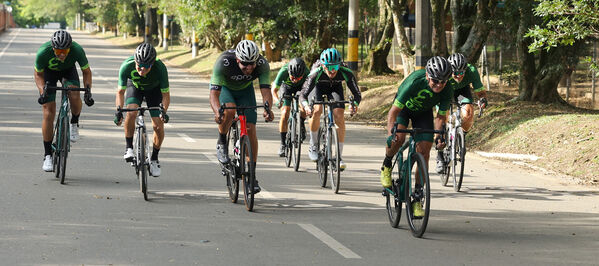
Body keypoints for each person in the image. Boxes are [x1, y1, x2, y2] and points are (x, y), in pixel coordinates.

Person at [380, 56, 452, 217]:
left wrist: (439, 137)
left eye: (443, 81)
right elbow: (393, 112)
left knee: (424, 151)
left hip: (423, 113)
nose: (439, 84)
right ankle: (386, 164)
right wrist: (391, 132)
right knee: (398, 138)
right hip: (403, 110)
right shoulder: (414, 82)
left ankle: (418, 197)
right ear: (427, 76)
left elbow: (440, 117)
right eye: (435, 80)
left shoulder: (447, 89)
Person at [209, 40, 274, 193]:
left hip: (245, 91)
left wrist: (267, 109)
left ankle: (252, 176)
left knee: (251, 129)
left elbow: (266, 91)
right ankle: (222, 141)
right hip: (226, 89)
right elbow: (213, 94)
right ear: (237, 60)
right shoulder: (223, 62)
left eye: (252, 63)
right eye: (245, 64)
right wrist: (218, 111)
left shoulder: (262, 64)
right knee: (229, 111)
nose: (249, 68)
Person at [35, 30, 93, 172]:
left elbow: (86, 72)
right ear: (53, 47)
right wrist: (43, 91)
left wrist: (88, 91)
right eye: (58, 50)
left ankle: (74, 122)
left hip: (68, 71)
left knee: (74, 94)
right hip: (49, 74)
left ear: (70, 47)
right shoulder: (43, 52)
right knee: (48, 112)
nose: (62, 53)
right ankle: (47, 154)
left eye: (65, 50)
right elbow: (38, 74)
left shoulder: (77, 50)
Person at [298, 48, 361, 170]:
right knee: (317, 110)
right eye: (329, 67)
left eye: (335, 67)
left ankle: (339, 156)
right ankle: (314, 144)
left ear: (340, 65)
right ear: (322, 65)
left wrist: (354, 105)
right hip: (317, 87)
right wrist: (306, 106)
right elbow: (303, 95)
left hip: (335, 87)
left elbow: (357, 95)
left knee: (339, 115)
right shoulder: (316, 72)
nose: (332, 71)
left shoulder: (345, 72)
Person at [114, 43, 170, 177]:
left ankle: (155, 158)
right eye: (139, 66)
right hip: (135, 88)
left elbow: (166, 96)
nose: (142, 70)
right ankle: (129, 148)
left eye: (147, 67)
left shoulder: (160, 68)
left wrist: (164, 111)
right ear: (135, 61)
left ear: (152, 64)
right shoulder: (126, 66)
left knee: (157, 125)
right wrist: (119, 110)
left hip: (154, 91)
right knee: (131, 112)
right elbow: (120, 92)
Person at [435, 53, 488, 173]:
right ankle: (439, 154)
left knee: (468, 112)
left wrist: (483, 100)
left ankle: (461, 137)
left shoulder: (472, 71)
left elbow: (480, 92)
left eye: (461, 73)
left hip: (461, 93)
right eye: (455, 73)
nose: (458, 76)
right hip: (444, 92)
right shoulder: (445, 72)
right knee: (442, 119)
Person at [272, 57, 309, 157]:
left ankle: (301, 121)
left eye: (298, 78)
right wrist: (277, 101)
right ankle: (283, 144)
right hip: (287, 88)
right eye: (293, 77)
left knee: (305, 107)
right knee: (285, 113)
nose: (295, 80)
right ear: (289, 72)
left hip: (302, 89)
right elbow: (274, 90)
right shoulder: (283, 71)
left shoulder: (307, 72)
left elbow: (310, 89)